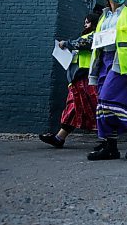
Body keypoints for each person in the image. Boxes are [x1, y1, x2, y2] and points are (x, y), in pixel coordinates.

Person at [86, 0, 127, 161]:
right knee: (101, 107)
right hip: (104, 62)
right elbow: (97, 44)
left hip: (121, 63)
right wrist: (93, 72)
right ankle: (110, 147)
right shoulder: (103, 17)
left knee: (108, 101)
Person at [39, 12, 100, 148]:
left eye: (88, 22)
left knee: (95, 106)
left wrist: (67, 44)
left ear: (95, 24)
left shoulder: (96, 35)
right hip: (78, 79)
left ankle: (111, 137)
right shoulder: (84, 37)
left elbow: (85, 43)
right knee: (73, 107)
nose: (85, 24)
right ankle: (59, 138)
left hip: (87, 78)